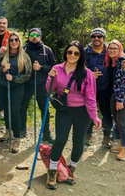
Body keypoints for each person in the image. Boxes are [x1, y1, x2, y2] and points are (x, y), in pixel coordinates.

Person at [45, 41, 102, 190]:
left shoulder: (87, 73)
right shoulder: (57, 68)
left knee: (78, 142)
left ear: (81, 55)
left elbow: (90, 96)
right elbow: (50, 89)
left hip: (82, 112)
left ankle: (72, 168)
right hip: (64, 110)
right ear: (66, 53)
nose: (72, 55)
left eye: (76, 53)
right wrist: (52, 77)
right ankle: (52, 170)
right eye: (70, 52)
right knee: (60, 140)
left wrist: (94, 116)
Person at [0, 31, 31, 153]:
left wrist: (14, 79)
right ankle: (8, 130)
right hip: (3, 86)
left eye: (16, 40)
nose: (14, 42)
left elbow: (27, 74)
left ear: (19, 42)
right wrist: (3, 70)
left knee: (15, 110)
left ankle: (17, 137)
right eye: (11, 40)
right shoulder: (2, 55)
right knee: (6, 109)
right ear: (8, 42)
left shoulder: (24, 56)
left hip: (17, 87)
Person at [20, 27, 55, 142]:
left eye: (36, 35)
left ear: (40, 37)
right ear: (29, 37)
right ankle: (22, 130)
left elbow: (53, 67)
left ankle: (46, 134)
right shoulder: (23, 49)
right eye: (32, 35)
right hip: (26, 83)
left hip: (42, 84)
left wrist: (41, 68)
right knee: (23, 107)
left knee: (44, 109)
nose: (34, 38)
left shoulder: (47, 50)